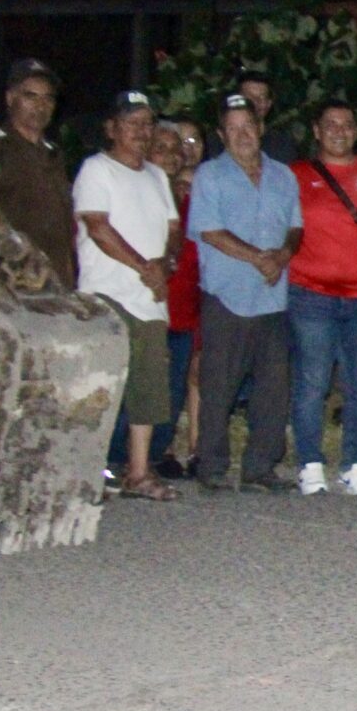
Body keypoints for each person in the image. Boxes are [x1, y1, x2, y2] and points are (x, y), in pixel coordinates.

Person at [187, 93, 302, 492]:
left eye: (248, 126)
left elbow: (296, 226)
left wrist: (284, 253)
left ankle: (260, 467)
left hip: (273, 299)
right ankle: (212, 465)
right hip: (227, 296)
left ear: (261, 128)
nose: (242, 135)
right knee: (219, 386)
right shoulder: (209, 176)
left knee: (273, 388)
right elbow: (209, 231)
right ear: (221, 134)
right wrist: (259, 259)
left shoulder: (284, 176)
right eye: (232, 129)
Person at [286, 101, 357, 498]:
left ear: (356, 132)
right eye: (330, 125)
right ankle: (310, 463)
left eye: (347, 125)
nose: (339, 131)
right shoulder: (296, 175)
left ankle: (354, 464)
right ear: (316, 131)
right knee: (312, 383)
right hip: (310, 295)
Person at [73, 89, 180, 502]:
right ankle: (85, 472)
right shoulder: (96, 170)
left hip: (150, 299)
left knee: (148, 387)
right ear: (112, 128)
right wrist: (144, 267)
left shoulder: (155, 175)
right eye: (132, 122)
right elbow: (98, 227)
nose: (141, 130)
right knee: (100, 386)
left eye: (147, 122)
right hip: (108, 293)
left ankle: (138, 472)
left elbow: (173, 230)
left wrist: (165, 265)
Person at [0, 58, 77, 286]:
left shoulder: (54, 154)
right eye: (30, 96)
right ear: (11, 98)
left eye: (48, 98)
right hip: (12, 285)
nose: (40, 106)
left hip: (55, 284)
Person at [149, 118, 202, 476]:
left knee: (181, 380)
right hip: (153, 303)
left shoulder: (192, 196)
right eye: (166, 146)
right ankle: (145, 455)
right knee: (151, 382)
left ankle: (173, 451)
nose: (178, 151)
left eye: (186, 143)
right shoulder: (145, 189)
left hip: (190, 303)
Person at [228, 70, 301, 164]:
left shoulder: (283, 145)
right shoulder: (218, 142)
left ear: (268, 104)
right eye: (249, 97)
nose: (255, 102)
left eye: (261, 97)